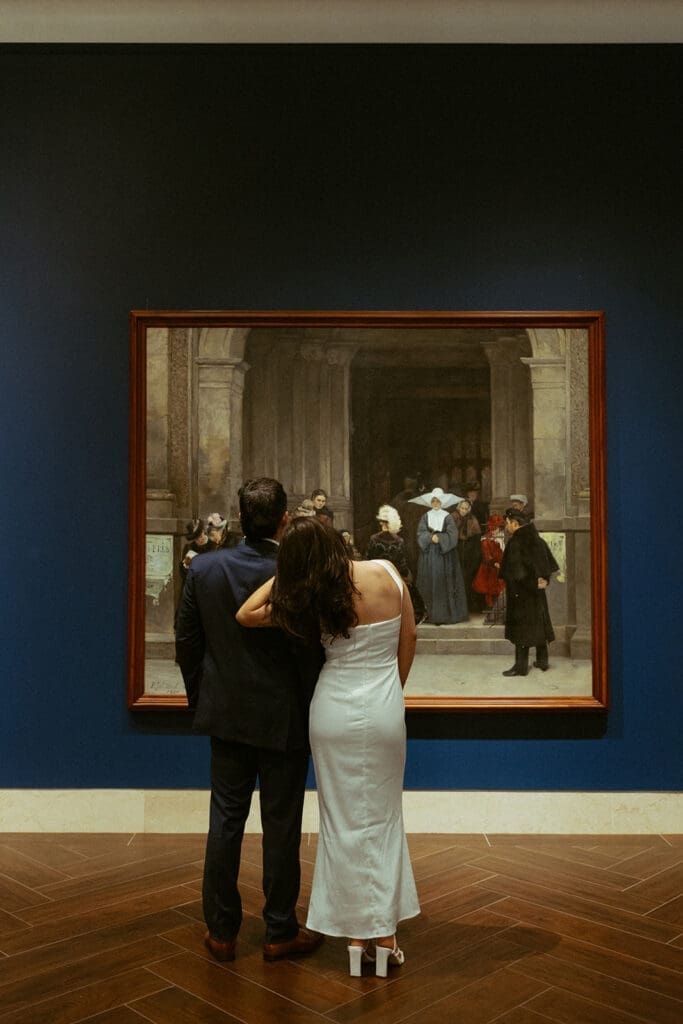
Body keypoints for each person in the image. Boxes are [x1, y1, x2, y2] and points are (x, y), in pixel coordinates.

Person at [237, 516, 420, 977]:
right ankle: (384, 936)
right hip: (384, 707)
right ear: (337, 542)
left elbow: (246, 614)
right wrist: (392, 691)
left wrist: (288, 573)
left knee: (340, 823)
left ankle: (355, 937)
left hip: (332, 710)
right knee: (384, 818)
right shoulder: (388, 573)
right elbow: (410, 638)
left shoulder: (312, 597)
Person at [175, 478, 324, 965]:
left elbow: (187, 643)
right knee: (282, 826)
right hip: (286, 718)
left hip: (227, 715)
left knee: (225, 820)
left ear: (240, 518)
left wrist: (203, 700)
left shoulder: (205, 568)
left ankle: (221, 932)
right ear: (284, 519)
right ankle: (280, 930)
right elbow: (314, 649)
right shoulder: (298, 571)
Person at [498, 508, 559, 676]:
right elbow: (547, 564)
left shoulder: (515, 543)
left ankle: (521, 667)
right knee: (539, 623)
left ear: (515, 524)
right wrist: (544, 580)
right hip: (537, 593)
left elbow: (517, 574)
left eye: (507, 524)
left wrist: (529, 583)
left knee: (521, 629)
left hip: (521, 593)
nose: (506, 527)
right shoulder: (537, 539)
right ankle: (542, 661)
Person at [410, 487, 468, 625]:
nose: (435, 503)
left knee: (443, 582)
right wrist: (430, 537)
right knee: (429, 581)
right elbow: (420, 533)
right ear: (431, 502)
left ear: (442, 502)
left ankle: (443, 615)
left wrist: (440, 538)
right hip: (428, 555)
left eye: (438, 501)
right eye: (433, 501)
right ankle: (428, 614)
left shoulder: (447, 517)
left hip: (444, 556)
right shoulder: (425, 516)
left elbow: (452, 535)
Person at [366, 504, 426, 624]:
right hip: (389, 575)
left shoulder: (376, 539)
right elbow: (401, 562)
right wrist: (405, 574)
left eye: (384, 522)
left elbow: (368, 558)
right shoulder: (396, 540)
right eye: (382, 522)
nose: (382, 524)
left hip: (380, 575)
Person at [472, 514, 506, 623]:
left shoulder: (502, 537)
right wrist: (493, 562)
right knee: (489, 589)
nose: (495, 531)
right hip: (489, 568)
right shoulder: (485, 539)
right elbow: (486, 555)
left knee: (500, 588)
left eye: (497, 528)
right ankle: (491, 609)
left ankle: (499, 611)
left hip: (500, 566)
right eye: (493, 528)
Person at [451, 498, 483, 613]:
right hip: (456, 550)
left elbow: (476, 539)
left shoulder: (473, 520)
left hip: (469, 552)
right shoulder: (453, 517)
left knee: (468, 578)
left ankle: (467, 606)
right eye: (462, 508)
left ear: (469, 509)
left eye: (466, 508)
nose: (463, 511)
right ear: (458, 508)